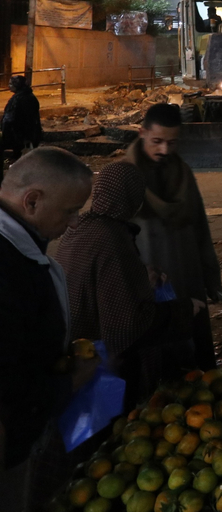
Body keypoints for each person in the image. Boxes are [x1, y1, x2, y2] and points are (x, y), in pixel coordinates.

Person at [56, 162, 199, 408]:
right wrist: (184, 310)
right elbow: (129, 322)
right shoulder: (112, 238)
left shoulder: (81, 227)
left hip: (73, 341)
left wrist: (141, 277)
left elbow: (105, 281)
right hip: (97, 356)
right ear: (134, 198)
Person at [0, 148, 94, 507]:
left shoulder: (21, 248)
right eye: (70, 211)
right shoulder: (7, 268)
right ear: (33, 201)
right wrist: (70, 382)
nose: (73, 224)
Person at [122, 103, 222, 373]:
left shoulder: (183, 173)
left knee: (194, 357)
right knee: (158, 356)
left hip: (187, 272)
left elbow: (200, 226)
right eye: (157, 141)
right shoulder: (123, 178)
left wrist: (211, 277)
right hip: (149, 282)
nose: (164, 150)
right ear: (142, 132)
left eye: (171, 143)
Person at [1, 74, 43, 167]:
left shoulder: (23, 98)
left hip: (21, 132)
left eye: (11, 84)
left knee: (20, 150)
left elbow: (21, 117)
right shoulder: (23, 96)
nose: (9, 86)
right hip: (20, 131)